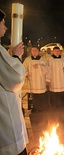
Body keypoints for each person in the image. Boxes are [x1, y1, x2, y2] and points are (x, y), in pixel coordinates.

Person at [0, 9, 28, 155]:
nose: (5, 27)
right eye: (3, 23)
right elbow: (14, 79)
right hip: (5, 117)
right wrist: (16, 57)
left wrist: (11, 58)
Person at [23, 46, 49, 112]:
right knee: (34, 96)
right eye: (33, 50)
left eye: (35, 50)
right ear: (31, 51)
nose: (34, 52)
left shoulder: (43, 59)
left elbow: (47, 68)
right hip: (32, 80)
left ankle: (42, 108)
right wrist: (26, 73)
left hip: (40, 81)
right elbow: (23, 68)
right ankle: (34, 108)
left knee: (41, 95)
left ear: (38, 51)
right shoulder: (27, 59)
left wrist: (39, 66)